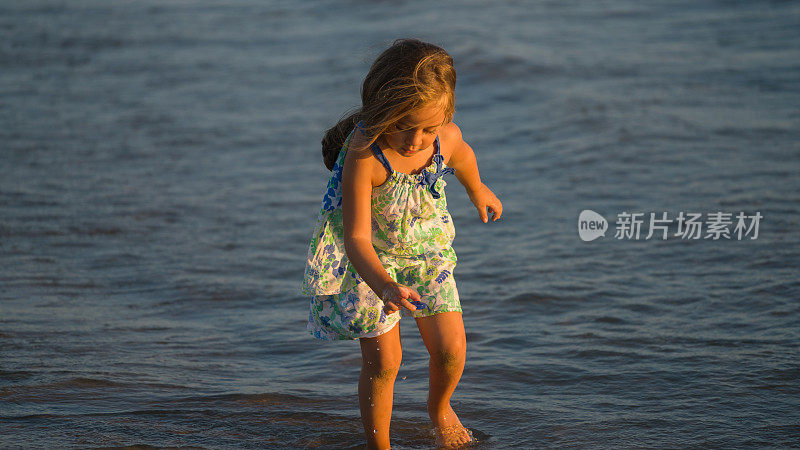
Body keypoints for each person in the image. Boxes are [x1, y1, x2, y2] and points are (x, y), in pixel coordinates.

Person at [301, 38, 503, 449]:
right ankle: (381, 446)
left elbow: (462, 155)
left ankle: (440, 408)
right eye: (403, 125)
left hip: (427, 255)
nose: (415, 141)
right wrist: (384, 285)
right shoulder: (366, 156)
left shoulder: (443, 138)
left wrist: (477, 189)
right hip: (371, 266)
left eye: (428, 128)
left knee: (452, 350)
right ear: (380, 111)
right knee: (384, 363)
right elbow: (355, 237)